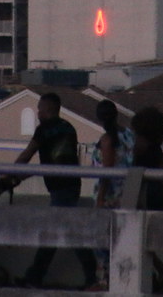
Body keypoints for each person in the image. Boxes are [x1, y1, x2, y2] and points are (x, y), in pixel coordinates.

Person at [13, 92, 98, 289]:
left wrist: (11, 173)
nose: (38, 112)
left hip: (60, 189)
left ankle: (91, 276)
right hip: (71, 185)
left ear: (48, 109)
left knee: (67, 234)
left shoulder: (44, 130)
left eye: (40, 109)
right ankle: (36, 276)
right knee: (57, 233)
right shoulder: (68, 128)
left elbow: (28, 154)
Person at [89, 99, 134, 290]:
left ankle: (104, 281)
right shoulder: (129, 135)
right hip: (127, 193)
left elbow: (107, 172)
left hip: (108, 197)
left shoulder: (107, 140)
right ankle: (118, 280)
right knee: (120, 240)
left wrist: (100, 199)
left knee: (101, 240)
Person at [131, 106, 163, 292]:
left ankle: (156, 272)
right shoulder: (157, 151)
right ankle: (157, 271)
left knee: (135, 237)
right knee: (141, 239)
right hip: (156, 196)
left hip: (142, 196)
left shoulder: (137, 148)